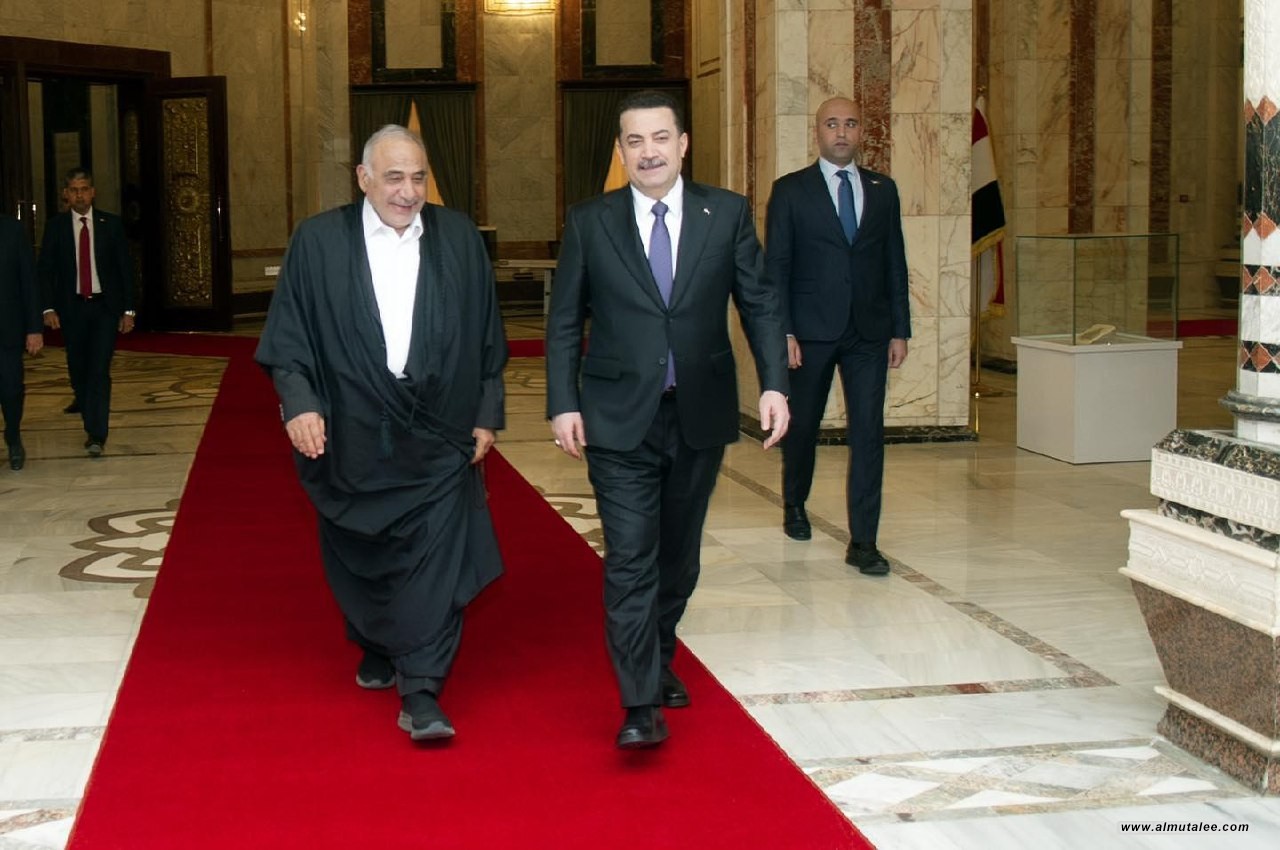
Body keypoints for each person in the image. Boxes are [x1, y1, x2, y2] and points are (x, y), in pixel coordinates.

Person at [546, 90, 791, 749]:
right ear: (621, 152)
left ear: (683, 144)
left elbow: (760, 303)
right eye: (635, 141)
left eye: (660, 138)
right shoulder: (590, 222)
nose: (648, 151)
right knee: (631, 555)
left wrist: (774, 384)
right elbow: (565, 319)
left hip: (698, 413)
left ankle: (657, 652)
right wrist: (563, 401)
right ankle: (640, 702)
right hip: (616, 417)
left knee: (678, 556)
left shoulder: (726, 213)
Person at [254, 125, 507, 743]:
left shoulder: (458, 238)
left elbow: (487, 334)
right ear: (363, 179)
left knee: (435, 559)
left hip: (439, 431)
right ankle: (374, 636)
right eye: (394, 178)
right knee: (360, 552)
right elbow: (289, 338)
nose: (408, 191)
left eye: (418, 178)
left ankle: (421, 689)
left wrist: (486, 411)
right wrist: (300, 404)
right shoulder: (318, 241)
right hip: (352, 432)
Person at [765, 96, 911, 575]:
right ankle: (794, 502)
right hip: (810, 332)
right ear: (818, 132)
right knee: (803, 426)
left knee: (868, 432)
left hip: (869, 332)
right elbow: (777, 267)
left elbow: (894, 262)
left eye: (850, 123)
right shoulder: (791, 191)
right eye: (832, 124)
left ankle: (864, 542)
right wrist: (783, 331)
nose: (841, 132)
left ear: (861, 131)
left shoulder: (883, 190)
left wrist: (900, 330)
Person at [38, 168, 136, 457]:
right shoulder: (56, 227)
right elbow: (45, 271)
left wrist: (129, 310)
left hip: (104, 308)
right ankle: (87, 411)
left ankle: (96, 434)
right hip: (72, 309)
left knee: (99, 370)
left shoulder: (111, 224)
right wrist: (47, 307)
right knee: (78, 369)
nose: (79, 195)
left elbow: (125, 270)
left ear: (93, 192)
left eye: (84, 189)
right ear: (66, 194)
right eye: (74, 190)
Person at [1, 217, 43, 470]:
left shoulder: (12, 230)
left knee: (11, 388)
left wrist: (34, 328)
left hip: (7, 328)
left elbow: (28, 280)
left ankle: (13, 436)